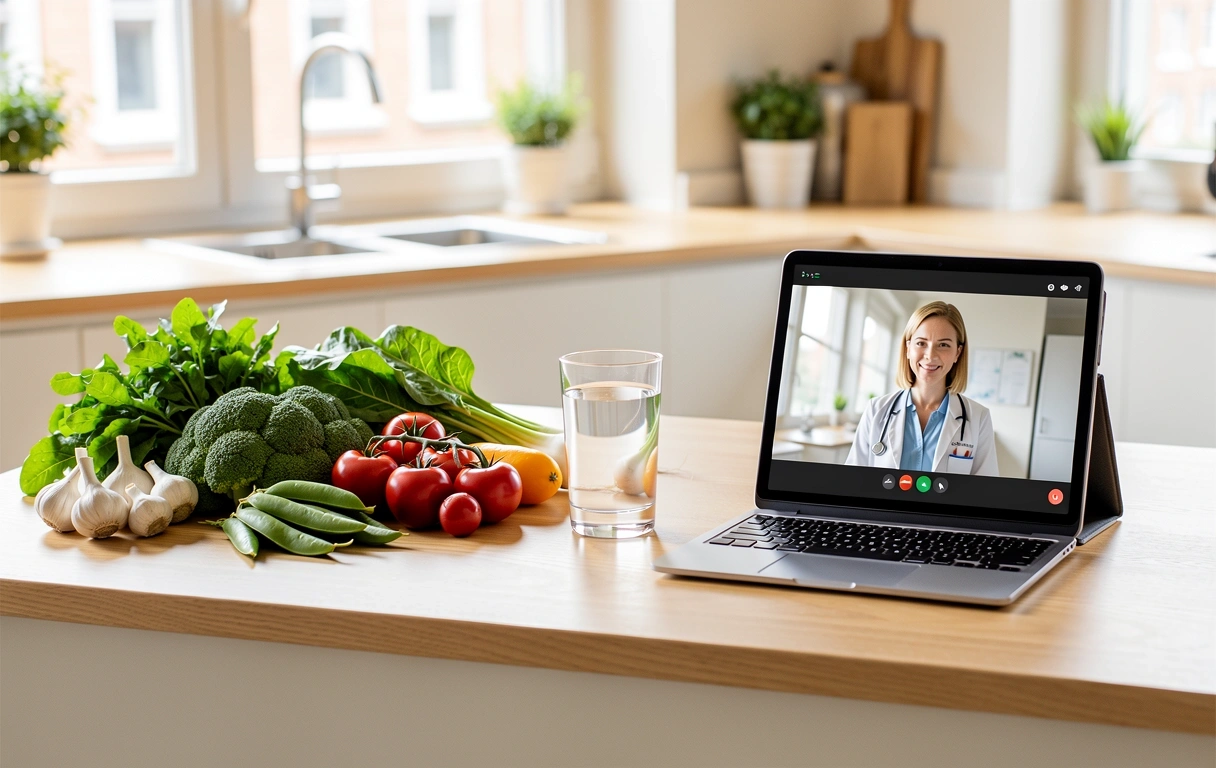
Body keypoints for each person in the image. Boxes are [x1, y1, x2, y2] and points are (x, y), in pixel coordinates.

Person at [845, 301, 998, 476]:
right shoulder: (876, 410)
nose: (930, 355)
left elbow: (984, 490)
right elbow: (854, 481)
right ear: (908, 348)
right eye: (921, 343)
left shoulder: (979, 418)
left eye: (944, 345)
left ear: (957, 352)